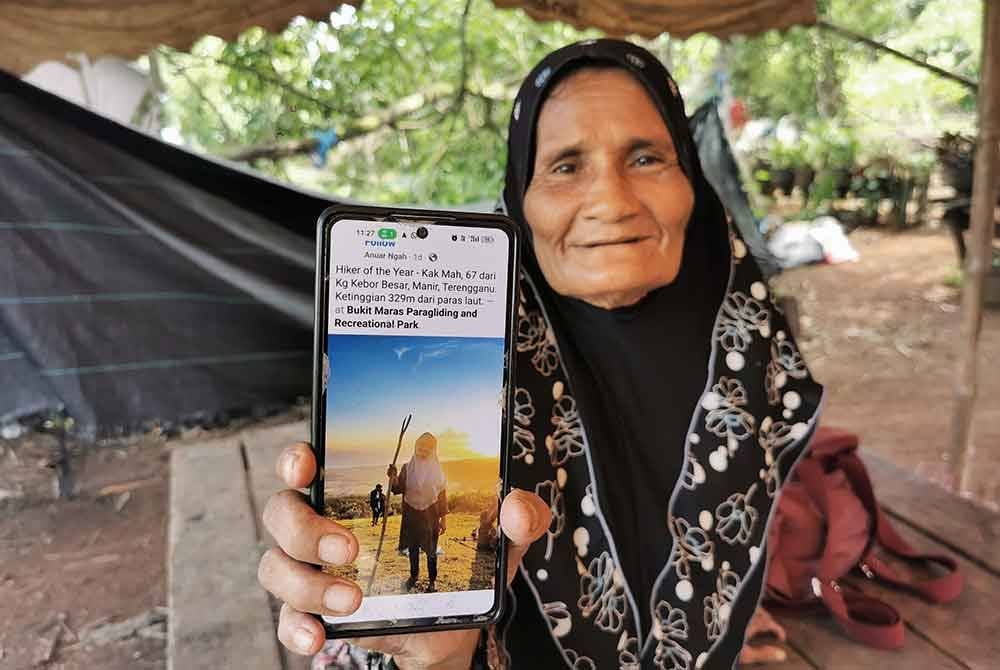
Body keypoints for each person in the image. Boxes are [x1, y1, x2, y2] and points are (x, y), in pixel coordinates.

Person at [258, 39, 822, 669]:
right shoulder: (460, 368)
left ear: (690, 179)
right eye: (564, 166)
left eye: (646, 157)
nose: (611, 200)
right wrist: (439, 659)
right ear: (520, 204)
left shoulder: (745, 345)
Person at [387, 432, 448, 592]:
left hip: (431, 516)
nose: (423, 449)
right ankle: (414, 576)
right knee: (413, 549)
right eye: (420, 446)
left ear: (433, 450)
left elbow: (442, 495)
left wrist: (444, 520)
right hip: (412, 515)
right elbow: (397, 489)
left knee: (431, 551)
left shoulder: (437, 470)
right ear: (415, 447)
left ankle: (432, 581)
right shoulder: (407, 468)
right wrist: (393, 477)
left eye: (428, 447)